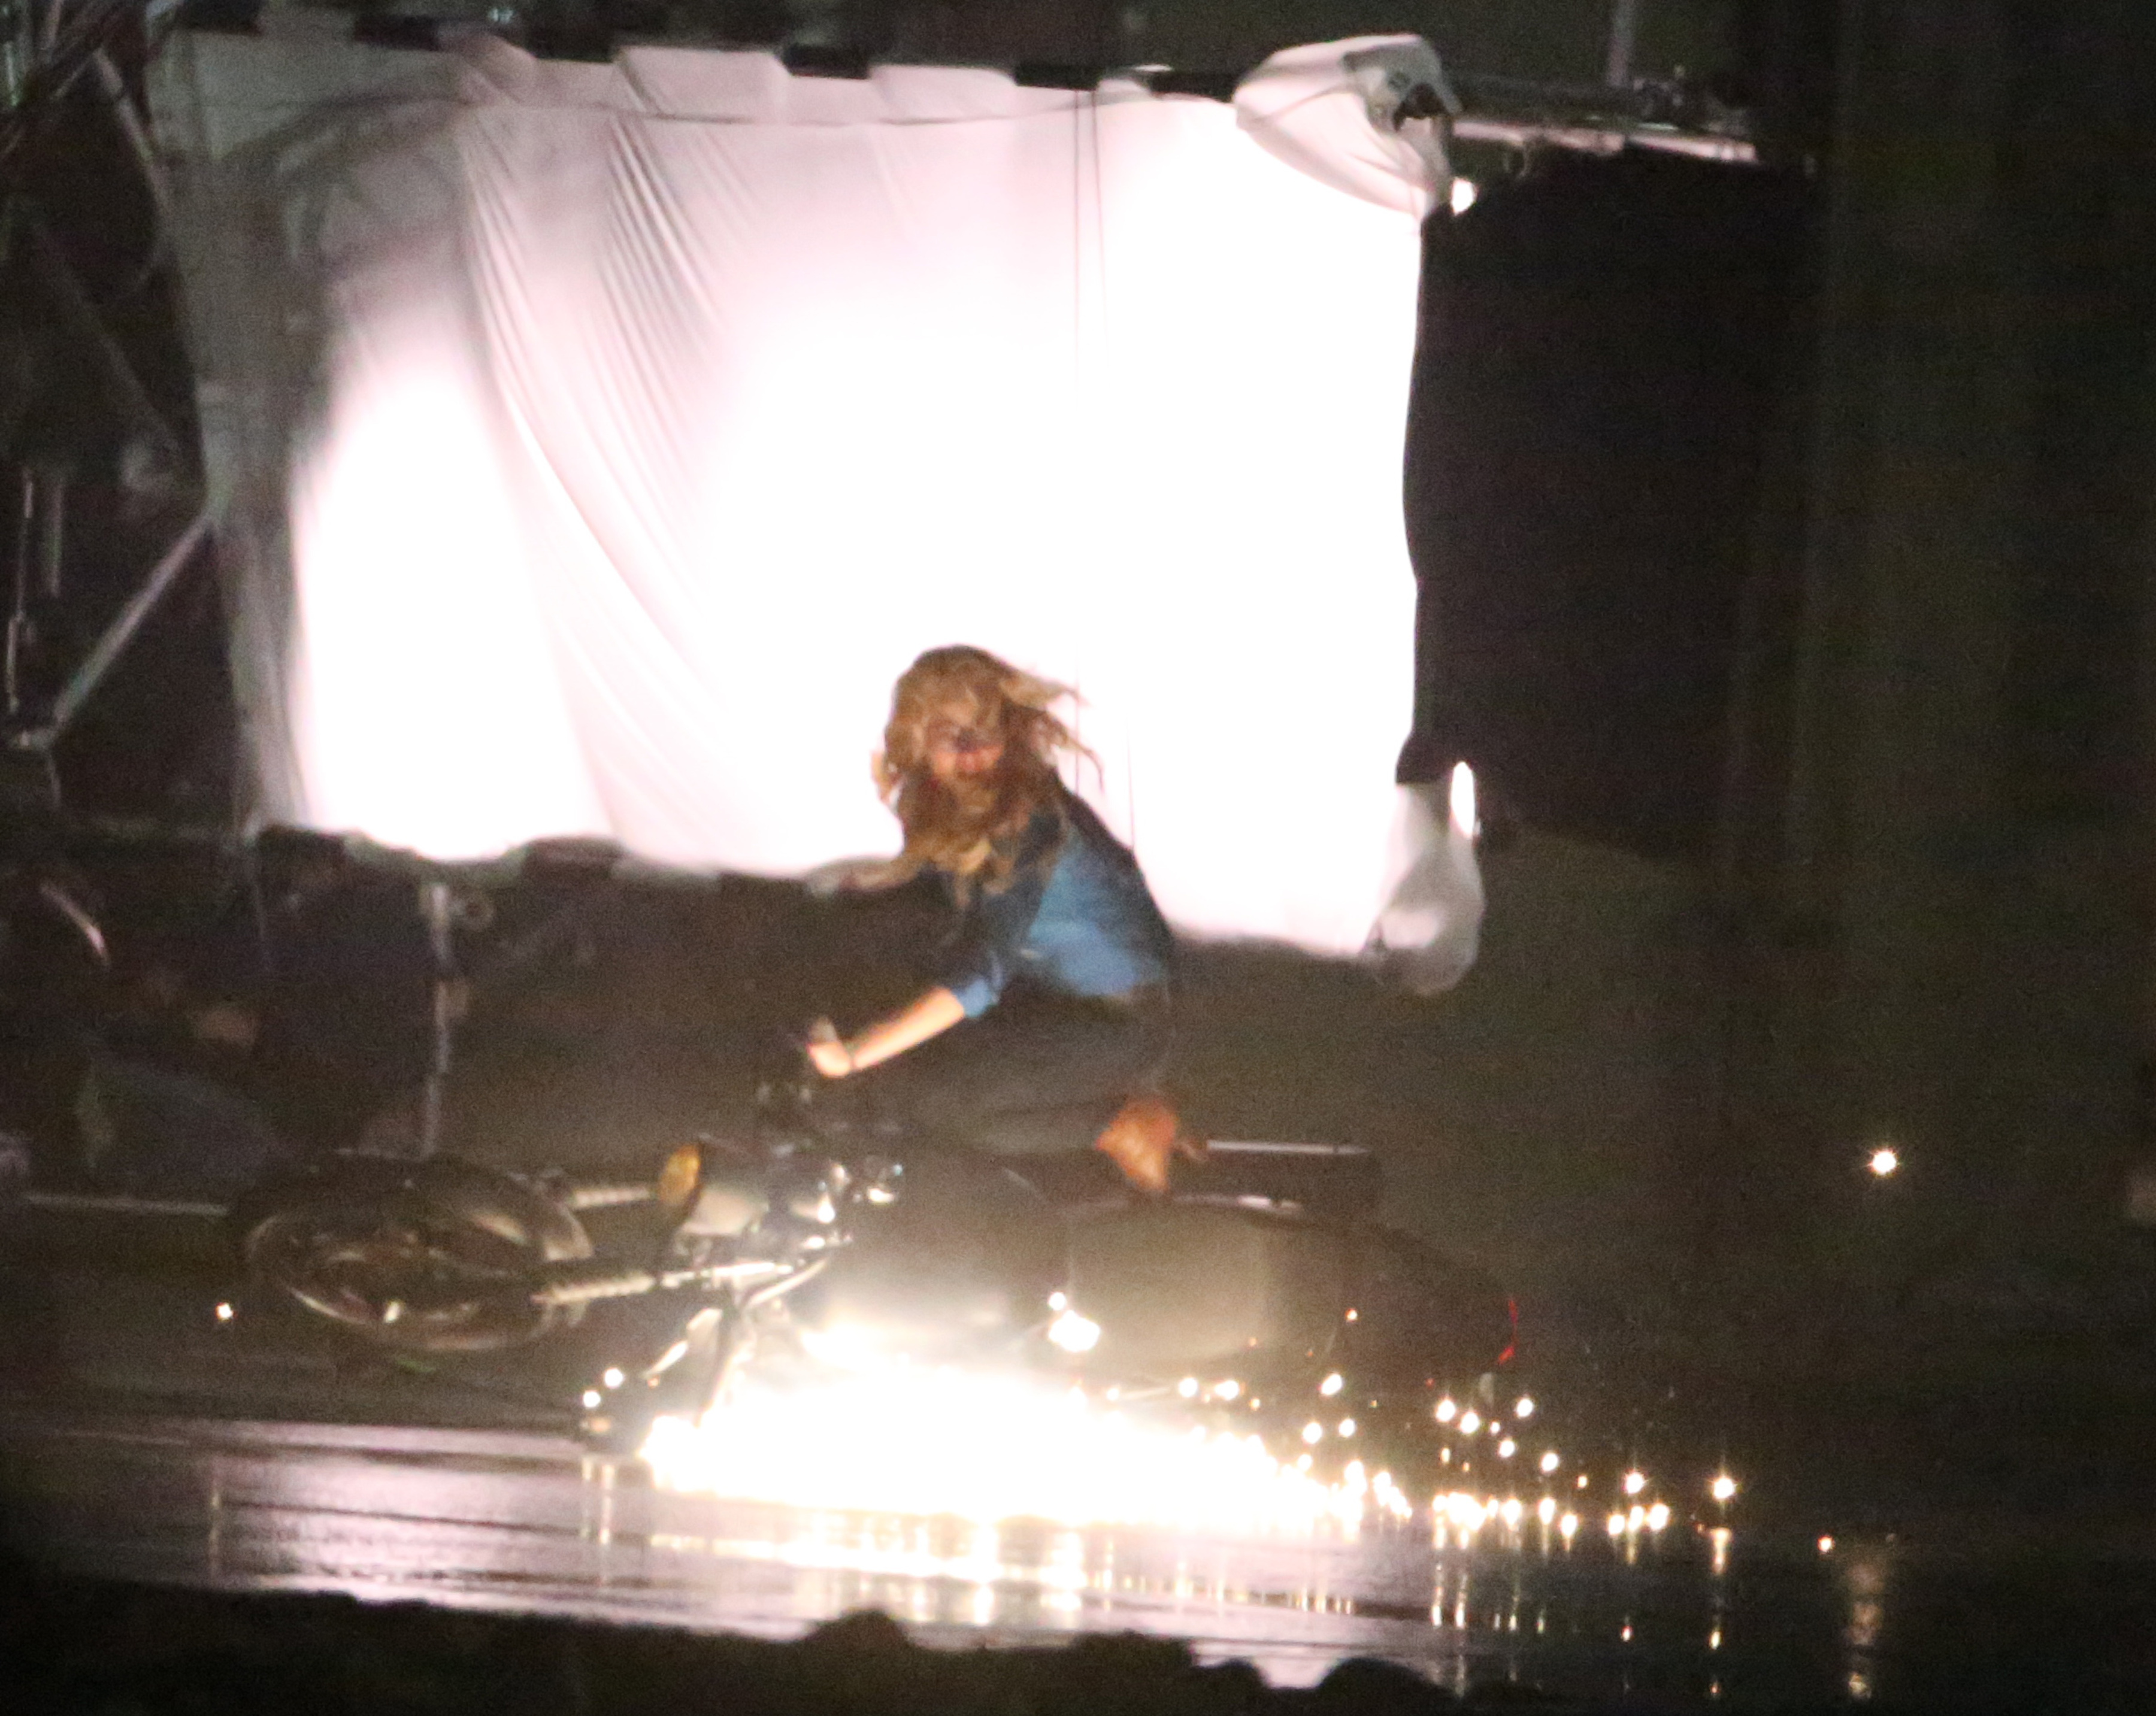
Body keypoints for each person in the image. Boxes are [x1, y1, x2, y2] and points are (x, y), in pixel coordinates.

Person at [804, 645, 1193, 1191]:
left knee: (944, 1106)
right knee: (902, 1033)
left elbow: (980, 974)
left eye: (985, 734)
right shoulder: (958, 802)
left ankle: (1121, 1124)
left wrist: (854, 1055)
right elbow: (944, 897)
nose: (972, 753)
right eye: (951, 737)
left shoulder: (1026, 818)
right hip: (1049, 997)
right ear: (919, 743)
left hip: (1122, 1027)